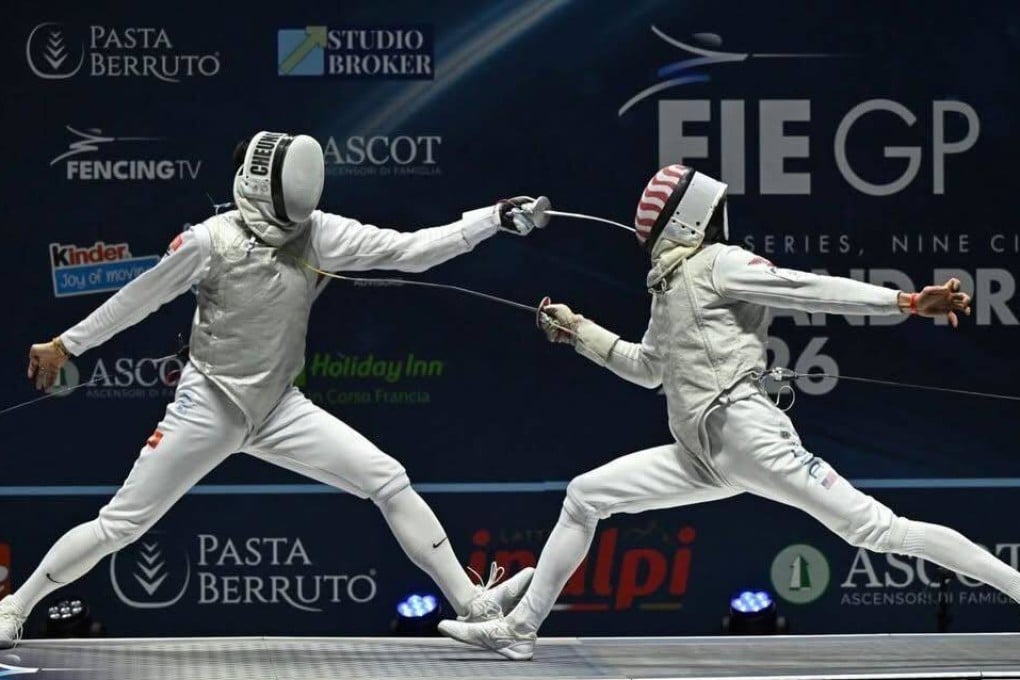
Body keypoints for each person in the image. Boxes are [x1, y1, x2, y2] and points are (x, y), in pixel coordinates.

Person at [438, 163, 1020, 660]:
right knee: (586, 495)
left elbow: (806, 289)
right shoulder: (671, 285)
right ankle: (519, 631)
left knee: (881, 531)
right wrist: (579, 331)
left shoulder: (720, 262)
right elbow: (649, 369)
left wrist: (907, 302)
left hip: (749, 437)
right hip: (701, 453)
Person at [0, 131, 543, 648]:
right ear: (261, 187)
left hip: (280, 407)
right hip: (209, 404)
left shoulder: (317, 230)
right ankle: (14, 609)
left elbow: (411, 250)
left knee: (387, 479)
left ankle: (474, 608)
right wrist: (67, 344)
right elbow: (139, 298)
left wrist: (491, 219)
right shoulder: (209, 240)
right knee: (121, 525)